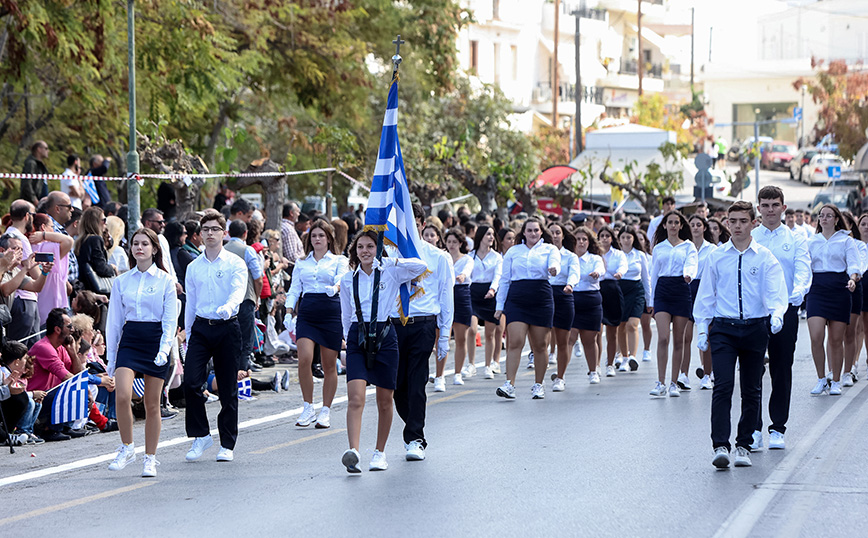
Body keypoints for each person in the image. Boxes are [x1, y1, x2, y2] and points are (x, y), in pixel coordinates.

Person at [694, 201, 787, 469]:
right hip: (724, 328)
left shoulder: (764, 256)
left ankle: (744, 444)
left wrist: (777, 313)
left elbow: (775, 291)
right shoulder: (717, 256)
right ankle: (720, 444)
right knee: (723, 386)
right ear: (727, 224)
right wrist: (703, 327)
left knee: (752, 388)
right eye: (732, 221)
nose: (737, 226)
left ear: (753, 223)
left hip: (755, 328)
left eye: (742, 221)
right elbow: (706, 295)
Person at [339, 231, 427, 472]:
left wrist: (390, 260)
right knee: (355, 397)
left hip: (385, 335)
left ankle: (380, 452)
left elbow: (421, 266)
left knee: (384, 399)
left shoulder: (390, 271)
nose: (365, 251)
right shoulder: (348, 279)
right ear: (354, 251)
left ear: (377, 250)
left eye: (370, 246)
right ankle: (354, 451)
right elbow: (345, 315)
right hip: (358, 335)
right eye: (360, 247)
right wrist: (344, 346)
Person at [105, 227, 177, 476]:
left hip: (155, 339)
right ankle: (127, 447)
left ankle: (150, 457)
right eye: (135, 243)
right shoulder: (122, 281)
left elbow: (170, 320)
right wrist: (111, 358)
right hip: (131, 338)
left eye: (145, 244)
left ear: (154, 248)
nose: (139, 248)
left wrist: (164, 348)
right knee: (122, 395)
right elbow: (114, 321)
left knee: (152, 404)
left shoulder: (165, 281)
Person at [748, 186, 811, 450]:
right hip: (754, 312)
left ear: (783, 208)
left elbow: (803, 270)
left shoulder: (796, 238)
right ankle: (752, 428)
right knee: (752, 371)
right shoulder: (751, 236)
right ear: (759, 208)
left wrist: (792, 298)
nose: (770, 210)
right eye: (765, 205)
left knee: (781, 368)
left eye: (775, 205)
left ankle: (777, 427)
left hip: (784, 311)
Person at [182, 211, 248, 463]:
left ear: (224, 233)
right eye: (206, 229)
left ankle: (227, 443)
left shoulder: (234, 263)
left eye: (215, 229)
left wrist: (228, 308)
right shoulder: (193, 266)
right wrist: (188, 334)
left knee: (228, 388)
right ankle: (200, 435)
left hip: (227, 326)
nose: (210, 233)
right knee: (191, 382)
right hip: (201, 327)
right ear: (200, 234)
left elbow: (237, 292)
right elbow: (191, 303)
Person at [391, 204, 454, 461]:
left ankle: (415, 437)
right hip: (394, 325)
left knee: (417, 382)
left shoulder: (438, 257)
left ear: (421, 223)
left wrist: (445, 335)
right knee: (397, 387)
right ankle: (413, 425)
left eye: (414, 222)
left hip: (423, 325)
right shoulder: (390, 255)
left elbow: (445, 295)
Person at [286, 219, 348, 428]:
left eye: (321, 235)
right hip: (308, 312)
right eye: (314, 236)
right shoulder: (302, 262)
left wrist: (336, 288)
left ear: (329, 238)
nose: (317, 239)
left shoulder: (339, 260)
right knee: (304, 358)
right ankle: (307, 407)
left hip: (330, 311)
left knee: (329, 364)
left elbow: (342, 279)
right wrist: (288, 311)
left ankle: (326, 410)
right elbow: (294, 289)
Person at [495, 217, 560, 400]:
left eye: (536, 230)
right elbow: (505, 279)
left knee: (540, 345)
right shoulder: (513, 252)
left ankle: (539, 384)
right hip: (517, 297)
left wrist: (554, 268)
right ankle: (510, 384)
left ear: (541, 232)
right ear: (523, 232)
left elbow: (555, 263)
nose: (533, 234)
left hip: (541, 296)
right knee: (514, 341)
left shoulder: (549, 249)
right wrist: (500, 306)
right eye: (529, 230)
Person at [806, 204, 861, 396]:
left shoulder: (846, 241)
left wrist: (852, 280)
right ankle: (822, 379)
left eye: (829, 216)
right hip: (817, 289)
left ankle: (836, 380)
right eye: (822, 216)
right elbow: (805, 267)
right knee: (816, 336)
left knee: (837, 339)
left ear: (836, 219)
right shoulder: (812, 241)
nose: (824, 219)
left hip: (839, 288)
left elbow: (854, 265)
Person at [649, 210, 698, 397]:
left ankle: (673, 383)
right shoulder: (659, 248)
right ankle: (660, 382)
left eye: (676, 222)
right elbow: (654, 274)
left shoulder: (688, 246)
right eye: (670, 222)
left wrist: (688, 274)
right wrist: (651, 300)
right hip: (663, 289)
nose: (673, 225)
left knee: (679, 340)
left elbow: (692, 264)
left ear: (681, 225)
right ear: (664, 225)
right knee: (663, 338)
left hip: (681, 288)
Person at [27, 308, 85, 441]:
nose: (72, 330)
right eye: (69, 326)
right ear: (58, 329)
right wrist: (86, 389)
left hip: (48, 395)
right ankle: (49, 429)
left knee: (72, 387)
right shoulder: (44, 347)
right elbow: (67, 377)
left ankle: (65, 426)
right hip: (36, 397)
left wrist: (72, 351)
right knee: (69, 387)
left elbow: (76, 373)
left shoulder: (60, 347)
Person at [681, 215, 717, 391]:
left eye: (698, 225)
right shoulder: (685, 247)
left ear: (704, 228)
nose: (695, 227)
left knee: (707, 336)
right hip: (687, 290)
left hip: (705, 291)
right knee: (685, 336)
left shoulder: (712, 249)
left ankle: (708, 374)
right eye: (692, 225)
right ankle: (683, 375)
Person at [224, 220, 263, 372]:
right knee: (245, 341)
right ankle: (242, 379)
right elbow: (258, 278)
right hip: (246, 299)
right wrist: (257, 297)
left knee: (228, 342)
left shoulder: (223, 250)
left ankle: (230, 378)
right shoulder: (248, 250)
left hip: (226, 301)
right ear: (245, 233)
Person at [468, 225, 503, 379]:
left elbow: (498, 276)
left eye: (492, 234)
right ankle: (471, 364)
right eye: (488, 234)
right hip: (473, 293)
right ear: (481, 236)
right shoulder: (470, 255)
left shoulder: (497, 257)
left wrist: (492, 290)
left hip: (489, 293)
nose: (491, 237)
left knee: (490, 333)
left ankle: (488, 366)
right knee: (472, 329)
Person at [547, 222, 579, 392]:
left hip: (564, 294)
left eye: (557, 232)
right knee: (541, 339)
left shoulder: (570, 256)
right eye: (551, 232)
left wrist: (570, 285)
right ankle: (538, 378)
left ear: (563, 235)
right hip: (544, 294)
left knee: (562, 340)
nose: (554, 235)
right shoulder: (542, 254)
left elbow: (574, 273)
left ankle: (560, 377)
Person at [616, 226, 651, 372]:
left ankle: (633, 356)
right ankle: (623, 357)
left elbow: (646, 278)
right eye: (623, 237)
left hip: (636, 290)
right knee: (621, 326)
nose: (626, 240)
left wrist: (650, 301)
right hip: (619, 290)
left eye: (629, 237)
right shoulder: (616, 255)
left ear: (633, 239)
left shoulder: (640, 255)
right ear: (619, 239)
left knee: (632, 324)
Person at [28, 214, 72, 326]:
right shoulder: (49, 247)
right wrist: (44, 235)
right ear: (43, 227)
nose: (53, 230)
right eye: (51, 227)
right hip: (53, 302)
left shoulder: (28, 246)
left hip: (36, 303)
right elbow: (68, 241)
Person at [444, 228, 474, 387]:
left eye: (454, 242)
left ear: (461, 243)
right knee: (444, 337)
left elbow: (466, 272)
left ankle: (457, 373)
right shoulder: (443, 257)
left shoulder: (467, 259)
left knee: (461, 338)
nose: (451, 245)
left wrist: (462, 276)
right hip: (445, 295)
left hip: (462, 295)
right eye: (449, 242)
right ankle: (439, 375)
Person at [598, 226, 627, 377]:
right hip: (597, 289)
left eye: (607, 236)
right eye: (601, 236)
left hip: (613, 289)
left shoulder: (618, 254)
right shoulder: (595, 254)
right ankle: (595, 365)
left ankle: (610, 364)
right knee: (597, 331)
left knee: (612, 330)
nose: (604, 238)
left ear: (611, 238)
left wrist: (620, 273)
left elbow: (623, 266)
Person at [75, 207, 118, 294]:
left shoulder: (81, 240)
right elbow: (101, 268)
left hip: (84, 288)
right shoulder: (95, 239)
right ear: (95, 222)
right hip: (95, 290)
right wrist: (112, 267)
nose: (106, 224)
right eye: (104, 220)